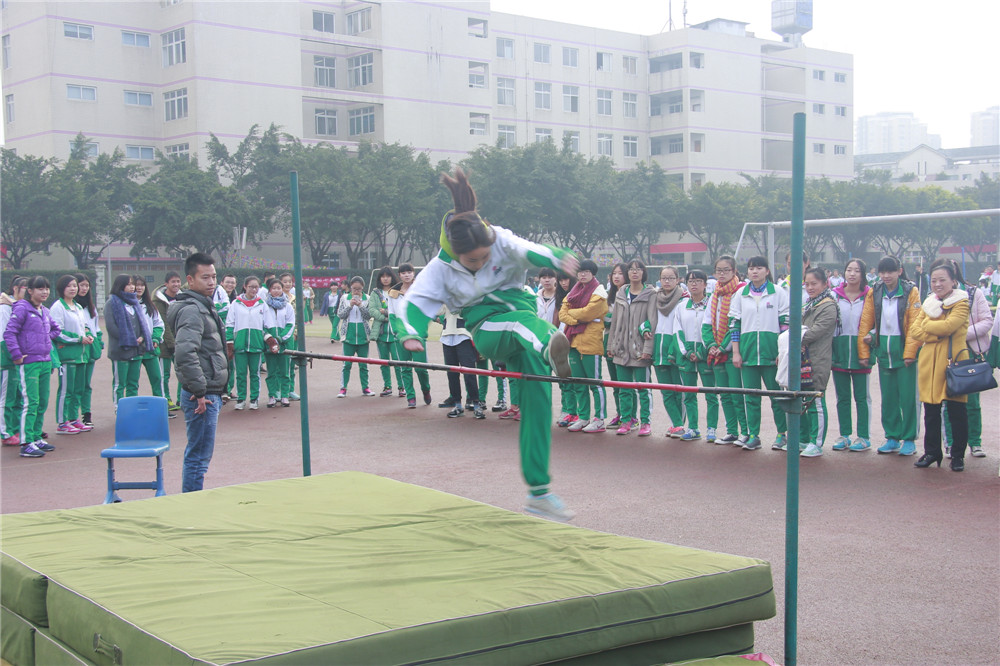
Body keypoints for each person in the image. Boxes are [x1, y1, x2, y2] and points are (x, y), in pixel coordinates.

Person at [394, 168, 577, 521]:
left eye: (484, 257)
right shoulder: (438, 269)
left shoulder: (501, 239)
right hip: (487, 328)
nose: (480, 264)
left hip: (522, 316)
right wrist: (410, 333)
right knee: (521, 325)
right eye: (472, 261)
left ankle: (539, 492)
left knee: (538, 402)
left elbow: (536, 252)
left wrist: (558, 258)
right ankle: (548, 343)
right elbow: (412, 305)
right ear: (454, 253)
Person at [166, 253, 229, 492]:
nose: (211, 282)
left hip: (208, 389)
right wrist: (200, 391)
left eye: (214, 277)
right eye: (205, 277)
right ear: (190, 280)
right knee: (198, 456)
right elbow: (185, 353)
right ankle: (192, 500)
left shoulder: (202, 305)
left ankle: (192, 498)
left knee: (200, 454)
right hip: (202, 394)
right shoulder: (192, 310)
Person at [908, 263, 970, 472]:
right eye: (934, 280)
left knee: (957, 411)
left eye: (942, 280)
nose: (937, 284)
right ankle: (932, 452)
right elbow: (915, 330)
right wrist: (936, 334)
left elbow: (949, 326)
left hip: (953, 363)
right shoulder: (929, 303)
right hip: (929, 363)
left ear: (953, 281)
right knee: (931, 411)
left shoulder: (961, 302)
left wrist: (929, 327)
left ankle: (958, 455)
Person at [858, 256, 921, 456]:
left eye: (890, 272)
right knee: (889, 398)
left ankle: (909, 438)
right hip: (884, 352)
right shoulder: (875, 291)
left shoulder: (911, 291)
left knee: (908, 398)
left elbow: (915, 324)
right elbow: (866, 321)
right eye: (882, 272)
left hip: (904, 353)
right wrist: (864, 351)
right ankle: (892, 437)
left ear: (899, 271)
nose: (886, 276)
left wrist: (910, 353)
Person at [729, 256, 788, 451]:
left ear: (767, 271)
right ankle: (754, 435)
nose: (755, 271)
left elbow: (785, 324)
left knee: (777, 396)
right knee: (751, 397)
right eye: (751, 268)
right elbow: (734, 325)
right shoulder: (740, 294)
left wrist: (782, 352)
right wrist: (736, 352)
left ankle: (782, 434)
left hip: (772, 354)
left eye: (759, 268)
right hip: (747, 354)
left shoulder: (778, 292)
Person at [935, 258, 992, 459]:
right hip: (946, 353)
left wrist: (961, 333)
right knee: (948, 400)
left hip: (970, 351)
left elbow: (987, 320)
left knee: (972, 401)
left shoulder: (973, 293)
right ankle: (951, 443)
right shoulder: (934, 297)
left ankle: (975, 442)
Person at [4, 276, 60, 458]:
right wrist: (17, 354)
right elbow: (9, 333)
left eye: (47, 289)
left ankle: (36, 437)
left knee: (42, 401)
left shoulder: (44, 310)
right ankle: (26, 443)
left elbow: (56, 329)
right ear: (30, 291)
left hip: (45, 361)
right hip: (29, 363)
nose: (44, 292)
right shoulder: (22, 308)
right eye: (40, 289)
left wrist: (43, 338)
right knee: (31, 402)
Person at [558, 259, 609, 433]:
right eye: (580, 272)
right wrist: (576, 319)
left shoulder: (599, 292)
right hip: (573, 341)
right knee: (578, 383)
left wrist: (572, 315)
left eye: (586, 271)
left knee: (595, 383)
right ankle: (583, 417)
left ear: (592, 273)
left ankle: (599, 419)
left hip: (590, 343)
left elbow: (588, 313)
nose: (582, 274)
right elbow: (562, 314)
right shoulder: (574, 291)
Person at [607, 259, 656, 437]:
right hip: (621, 349)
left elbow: (652, 322)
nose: (634, 272)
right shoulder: (621, 293)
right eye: (631, 269)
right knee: (624, 389)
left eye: (638, 269)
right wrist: (611, 345)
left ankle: (645, 422)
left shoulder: (650, 294)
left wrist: (647, 349)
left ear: (644, 272)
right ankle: (626, 420)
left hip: (639, 349)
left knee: (643, 389)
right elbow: (614, 322)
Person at [703, 255, 749, 446]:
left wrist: (723, 347)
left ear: (734, 271)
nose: (721, 274)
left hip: (732, 352)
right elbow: (706, 324)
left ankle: (746, 432)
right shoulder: (715, 294)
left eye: (726, 270)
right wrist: (712, 345)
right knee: (724, 394)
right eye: (718, 271)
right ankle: (731, 431)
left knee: (737, 394)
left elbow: (737, 322)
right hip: (717, 353)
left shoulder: (741, 291)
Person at [830, 259, 873, 452]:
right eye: (849, 270)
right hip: (839, 351)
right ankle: (844, 435)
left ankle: (863, 437)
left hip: (861, 352)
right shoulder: (834, 295)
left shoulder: (870, 296)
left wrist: (872, 337)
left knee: (862, 397)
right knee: (842, 397)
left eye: (857, 270)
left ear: (863, 274)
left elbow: (875, 321)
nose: (852, 274)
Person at [796, 267, 839, 457]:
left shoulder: (828, 306)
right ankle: (804, 439)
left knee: (816, 400)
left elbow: (816, 331)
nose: (810, 287)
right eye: (807, 284)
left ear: (824, 284)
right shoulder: (809, 304)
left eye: (814, 284)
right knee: (801, 400)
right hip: (803, 359)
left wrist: (793, 338)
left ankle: (817, 442)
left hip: (818, 359)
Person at [674, 269, 718, 442]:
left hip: (706, 355)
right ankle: (693, 428)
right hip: (687, 356)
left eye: (698, 281)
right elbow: (677, 331)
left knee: (711, 394)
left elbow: (713, 330)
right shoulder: (681, 306)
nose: (694, 284)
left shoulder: (712, 305)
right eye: (691, 281)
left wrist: (702, 351)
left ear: (705, 284)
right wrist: (687, 352)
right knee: (689, 394)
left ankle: (712, 428)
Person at [49, 275, 95, 434]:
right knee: (66, 390)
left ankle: (74, 418)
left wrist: (88, 334)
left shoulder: (78, 306)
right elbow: (57, 332)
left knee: (78, 390)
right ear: (62, 288)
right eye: (69, 286)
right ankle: (62, 422)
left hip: (81, 355)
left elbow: (84, 326)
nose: (73, 289)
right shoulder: (58, 307)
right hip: (67, 356)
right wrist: (79, 339)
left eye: (75, 285)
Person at [388, 264, 432, 407]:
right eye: (403, 273)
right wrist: (397, 333)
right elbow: (392, 315)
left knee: (421, 368)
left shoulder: (421, 290)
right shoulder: (393, 294)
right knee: (405, 367)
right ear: (399, 275)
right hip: (401, 337)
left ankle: (426, 389)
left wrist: (421, 333)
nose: (407, 275)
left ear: (413, 274)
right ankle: (411, 397)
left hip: (417, 335)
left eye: (409, 272)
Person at [105, 274, 152, 405]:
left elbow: (143, 324)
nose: (132, 287)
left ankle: (132, 409)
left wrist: (142, 337)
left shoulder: (134, 302)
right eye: (129, 284)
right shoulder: (112, 303)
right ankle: (119, 409)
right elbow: (111, 327)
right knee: (120, 384)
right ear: (120, 286)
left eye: (133, 284)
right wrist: (130, 339)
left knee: (133, 383)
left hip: (137, 350)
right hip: (120, 351)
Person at [651, 266, 687, 438]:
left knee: (679, 391)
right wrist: (644, 328)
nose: (667, 281)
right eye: (664, 278)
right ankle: (676, 424)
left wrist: (677, 349)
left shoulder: (684, 300)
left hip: (676, 351)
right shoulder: (654, 299)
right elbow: (648, 319)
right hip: (658, 351)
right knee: (666, 392)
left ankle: (680, 424)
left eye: (671, 278)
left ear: (678, 280)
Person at [225, 276, 266, 410]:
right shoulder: (236, 303)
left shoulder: (262, 304)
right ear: (245, 286)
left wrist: (268, 340)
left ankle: (254, 399)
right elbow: (229, 324)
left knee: (255, 374)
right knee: (241, 374)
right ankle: (241, 399)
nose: (254, 290)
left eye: (256, 287)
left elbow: (267, 324)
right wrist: (230, 343)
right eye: (251, 287)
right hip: (240, 345)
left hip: (256, 345)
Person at [438, 309, 484, 418]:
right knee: (452, 374)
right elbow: (437, 311)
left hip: (464, 334)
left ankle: (476, 405)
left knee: (469, 373)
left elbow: (458, 308)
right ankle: (457, 405)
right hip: (447, 334)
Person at [337, 276, 375, 398]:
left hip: (363, 336)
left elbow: (369, 316)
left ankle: (365, 388)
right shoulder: (344, 298)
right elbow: (340, 315)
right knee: (346, 365)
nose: (356, 292)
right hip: (348, 336)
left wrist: (360, 305)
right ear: (350, 288)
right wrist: (350, 306)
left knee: (363, 365)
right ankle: (343, 388)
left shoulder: (368, 298)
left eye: (359, 289)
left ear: (363, 288)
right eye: (354, 289)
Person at [368, 267, 404, 397]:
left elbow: (400, 310)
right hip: (381, 333)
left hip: (395, 333)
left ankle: (402, 386)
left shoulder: (398, 292)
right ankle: (387, 386)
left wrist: (387, 313)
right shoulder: (375, 293)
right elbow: (372, 310)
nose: (385, 278)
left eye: (388, 276)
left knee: (398, 361)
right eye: (382, 276)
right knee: (383, 362)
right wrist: (385, 318)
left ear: (392, 277)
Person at [1, 277, 28, 446]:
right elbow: (5, 335)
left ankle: (16, 428)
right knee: (7, 397)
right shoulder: (5, 308)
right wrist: (12, 355)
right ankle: (5, 432)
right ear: (16, 288)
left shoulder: (21, 307)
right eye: (26, 288)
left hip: (21, 357)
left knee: (19, 396)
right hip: (8, 358)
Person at [73, 273, 103, 426]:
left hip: (90, 350)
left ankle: (86, 413)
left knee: (86, 384)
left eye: (86, 285)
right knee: (75, 386)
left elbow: (96, 328)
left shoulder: (91, 308)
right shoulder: (71, 307)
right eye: (81, 285)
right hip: (76, 350)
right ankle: (71, 417)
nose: (84, 288)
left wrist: (99, 342)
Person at [262, 277, 295, 407]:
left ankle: (284, 395)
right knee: (271, 372)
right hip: (269, 344)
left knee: (284, 371)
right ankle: (272, 395)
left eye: (278, 288)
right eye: (273, 288)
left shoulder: (287, 306)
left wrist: (280, 339)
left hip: (284, 344)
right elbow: (262, 324)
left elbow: (290, 324)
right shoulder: (264, 306)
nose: (276, 291)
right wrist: (269, 338)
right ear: (269, 290)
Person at [152, 272, 183, 411]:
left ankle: (182, 399)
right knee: (164, 375)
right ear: (166, 284)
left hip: (180, 341)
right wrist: (171, 343)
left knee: (183, 372)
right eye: (173, 282)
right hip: (165, 344)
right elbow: (163, 323)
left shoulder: (183, 297)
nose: (176, 284)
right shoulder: (158, 301)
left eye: (178, 281)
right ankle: (166, 400)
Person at [133, 276, 165, 401]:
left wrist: (155, 339)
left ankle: (160, 405)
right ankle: (132, 407)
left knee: (157, 378)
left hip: (150, 349)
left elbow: (158, 324)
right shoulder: (127, 306)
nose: (139, 288)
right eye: (136, 285)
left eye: (142, 285)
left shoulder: (150, 306)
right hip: (134, 349)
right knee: (133, 382)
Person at [554, 272, 579, 427]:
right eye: (561, 280)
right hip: (559, 341)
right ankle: (567, 410)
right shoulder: (557, 297)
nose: (564, 283)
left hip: (574, 341)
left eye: (566, 279)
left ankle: (576, 412)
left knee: (574, 379)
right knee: (563, 379)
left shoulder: (578, 295)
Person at [603, 262, 627, 428]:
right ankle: (620, 413)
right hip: (608, 342)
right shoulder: (608, 297)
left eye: (620, 273)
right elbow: (604, 319)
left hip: (625, 343)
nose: (616, 276)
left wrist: (614, 319)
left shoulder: (630, 294)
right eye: (614, 273)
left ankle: (629, 416)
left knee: (626, 383)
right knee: (615, 383)